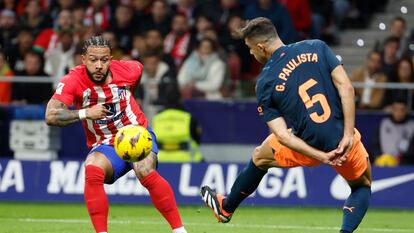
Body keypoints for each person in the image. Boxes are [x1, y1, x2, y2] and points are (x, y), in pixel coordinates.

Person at [200, 17, 372, 233]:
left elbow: (282, 136)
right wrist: (348, 134)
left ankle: (226, 208)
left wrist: (320, 156)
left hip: (307, 146)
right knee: (361, 185)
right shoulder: (316, 47)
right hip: (342, 140)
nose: (252, 54)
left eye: (251, 49)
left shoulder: (265, 82)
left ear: (261, 46)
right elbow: (346, 88)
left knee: (260, 157)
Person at [45, 36, 188, 233]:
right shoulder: (72, 81)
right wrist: (86, 112)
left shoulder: (130, 69)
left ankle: (179, 230)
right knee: (92, 169)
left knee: (144, 170)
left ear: (111, 59)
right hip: (105, 144)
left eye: (104, 60)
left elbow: (136, 74)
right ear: (83, 59)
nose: (99, 66)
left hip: (136, 133)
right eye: (93, 60)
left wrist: (129, 99)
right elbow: (51, 116)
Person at [152, 83, 203, 162]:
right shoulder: (188, 118)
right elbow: (198, 140)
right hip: (186, 160)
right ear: (180, 99)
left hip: (160, 160)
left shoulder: (156, 118)